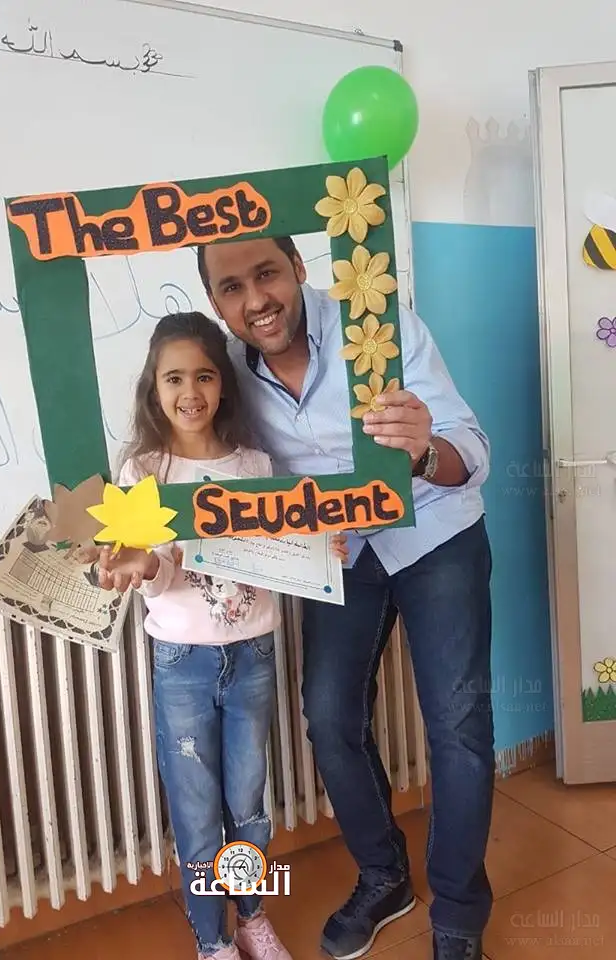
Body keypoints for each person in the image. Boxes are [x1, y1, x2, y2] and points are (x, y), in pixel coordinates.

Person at [195, 237, 494, 960]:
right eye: (232, 287)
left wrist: (425, 450)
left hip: (436, 534)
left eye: (267, 273)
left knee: (458, 726)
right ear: (216, 302)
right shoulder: (226, 372)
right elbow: (192, 456)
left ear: (300, 268)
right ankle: (385, 877)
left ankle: (458, 915)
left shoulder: (379, 326)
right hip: (340, 556)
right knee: (329, 718)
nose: (256, 300)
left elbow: (471, 451)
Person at [96, 311, 346, 960]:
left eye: (205, 376)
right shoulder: (143, 473)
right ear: (153, 387)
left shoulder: (256, 465)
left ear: (224, 385)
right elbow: (152, 575)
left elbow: (287, 550)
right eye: (174, 378)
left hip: (253, 655)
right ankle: (213, 942)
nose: (190, 392)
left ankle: (252, 915)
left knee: (249, 804)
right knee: (198, 812)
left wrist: (323, 549)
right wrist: (145, 566)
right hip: (181, 662)